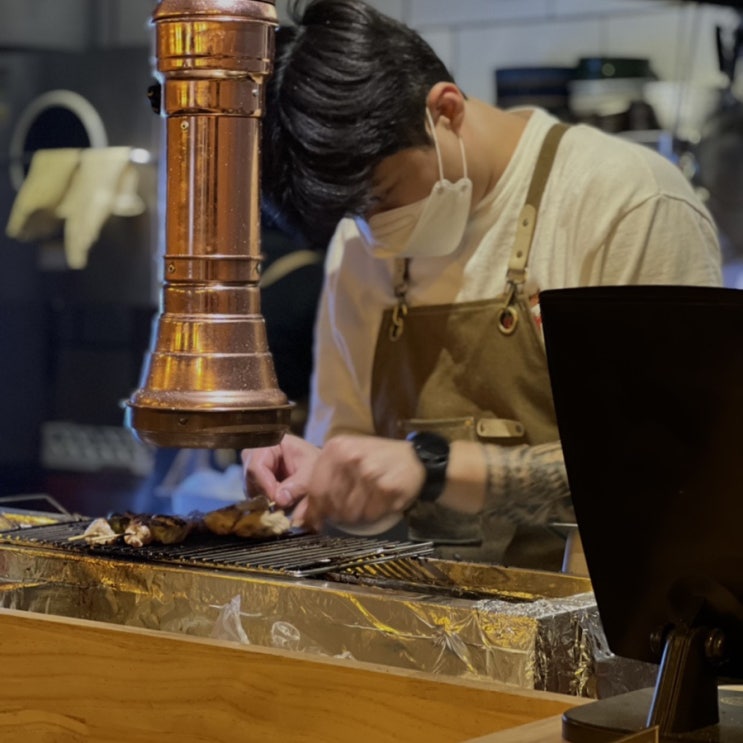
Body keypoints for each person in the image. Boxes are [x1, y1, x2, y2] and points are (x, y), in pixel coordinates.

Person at [243, 0, 722, 568]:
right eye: (353, 215)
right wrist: (322, 472)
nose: (373, 233)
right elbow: (353, 451)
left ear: (446, 111)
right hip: (422, 610)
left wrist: (435, 467)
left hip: (600, 612)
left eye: (382, 198)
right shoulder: (358, 246)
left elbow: (671, 465)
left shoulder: (626, 203)